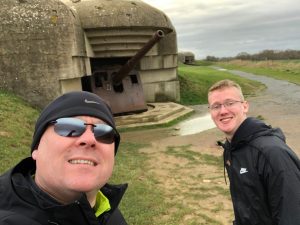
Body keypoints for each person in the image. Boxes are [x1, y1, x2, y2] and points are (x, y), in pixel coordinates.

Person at [0, 91, 128, 225]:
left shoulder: (106, 211)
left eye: (104, 133)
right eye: (69, 127)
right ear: (36, 148)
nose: (89, 139)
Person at [208, 79, 300, 225]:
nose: (223, 111)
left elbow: (292, 216)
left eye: (230, 103)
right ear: (210, 112)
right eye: (216, 106)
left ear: (245, 106)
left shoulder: (272, 153)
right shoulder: (231, 148)